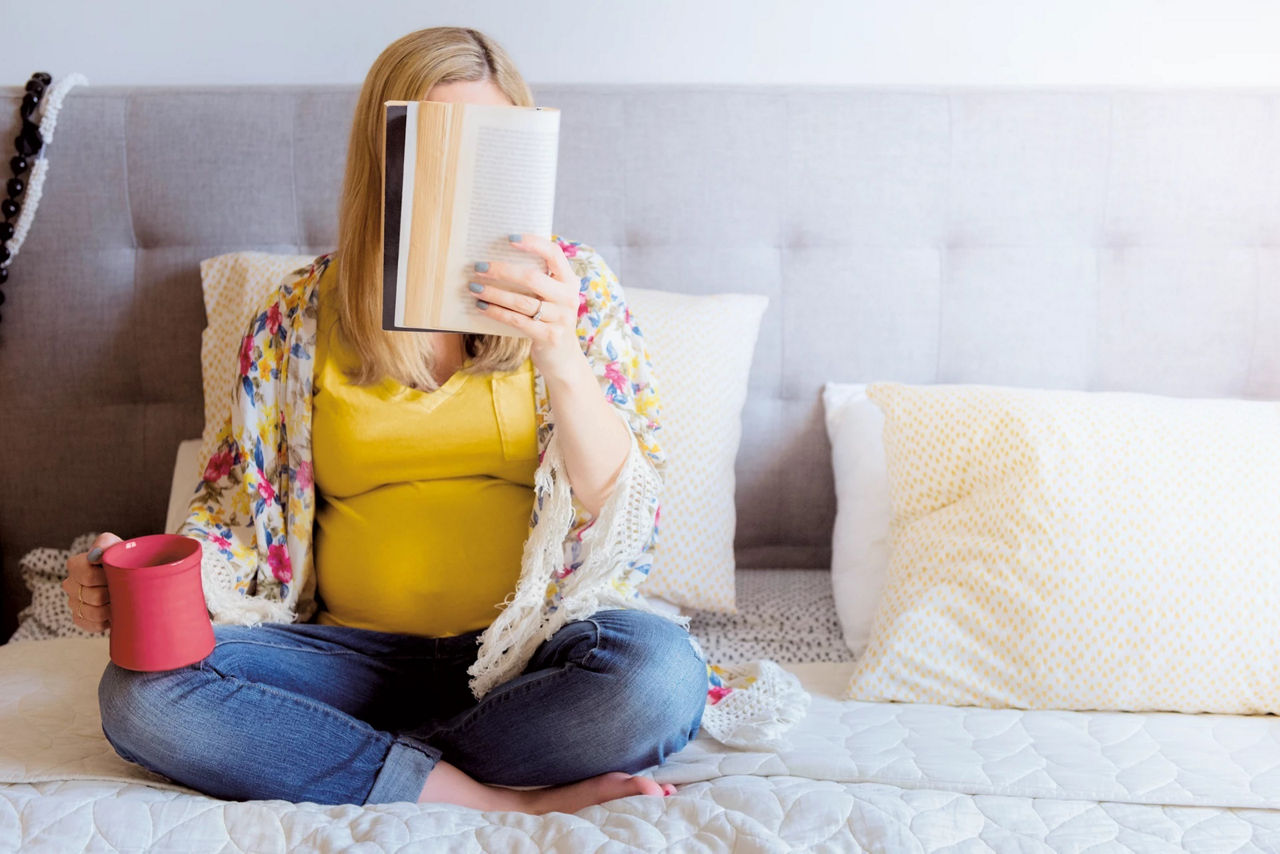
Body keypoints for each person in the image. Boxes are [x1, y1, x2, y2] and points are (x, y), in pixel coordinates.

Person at [62, 26, 712, 814]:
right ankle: (492, 798)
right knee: (141, 690)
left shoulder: (578, 295)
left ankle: (335, 757)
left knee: (658, 678)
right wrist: (128, 575)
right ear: (383, 162)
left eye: (490, 153)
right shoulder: (295, 318)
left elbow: (625, 516)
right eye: (439, 154)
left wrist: (560, 352)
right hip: (345, 663)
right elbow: (239, 522)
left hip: (524, 659)